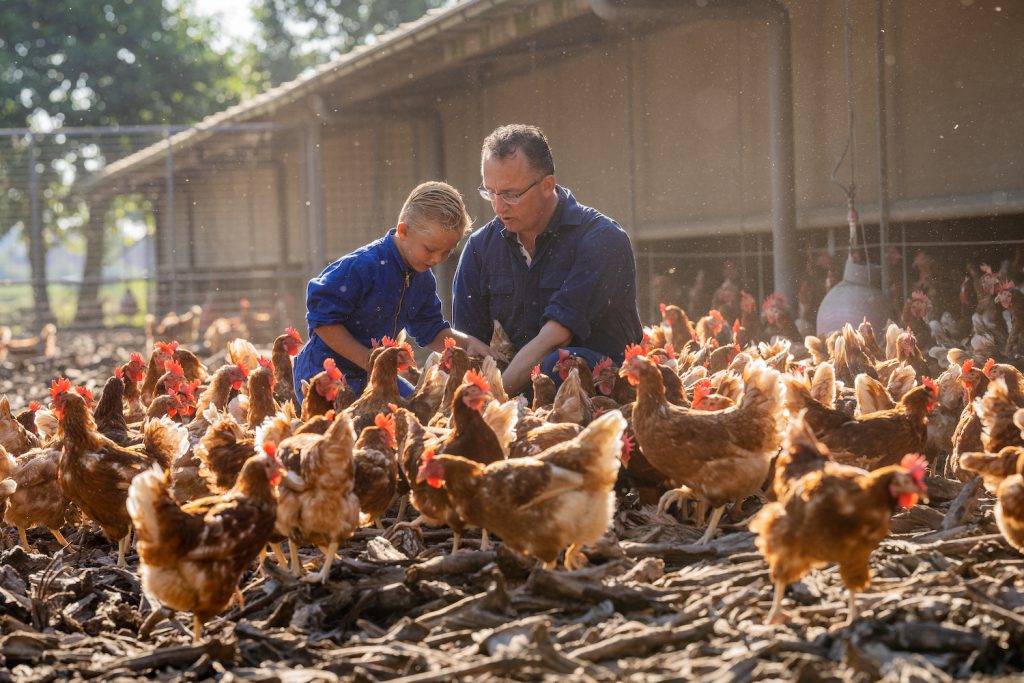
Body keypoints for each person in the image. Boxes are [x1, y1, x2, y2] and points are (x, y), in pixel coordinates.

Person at [453, 124, 643, 396]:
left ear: (547, 186)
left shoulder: (602, 239)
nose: (498, 206)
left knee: (558, 363)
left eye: (510, 194)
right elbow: (468, 345)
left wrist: (495, 399)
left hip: (602, 393)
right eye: (490, 192)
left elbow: (555, 338)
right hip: (513, 392)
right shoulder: (479, 249)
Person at [293, 181, 498, 404]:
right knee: (345, 422)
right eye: (430, 249)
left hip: (374, 374)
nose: (437, 259)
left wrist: (468, 343)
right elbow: (323, 321)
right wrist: (370, 360)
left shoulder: (422, 279)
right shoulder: (363, 266)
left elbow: (431, 331)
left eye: (447, 252)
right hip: (324, 372)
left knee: (418, 410)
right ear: (403, 231)